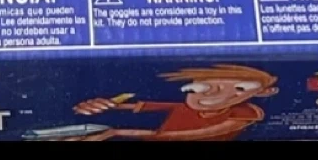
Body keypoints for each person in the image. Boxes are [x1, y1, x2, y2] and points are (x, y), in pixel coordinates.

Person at [68, 65, 278, 140]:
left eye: (240, 89)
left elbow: (188, 135)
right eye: (202, 87)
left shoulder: (243, 113)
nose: (213, 95)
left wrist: (115, 132)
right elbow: (143, 106)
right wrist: (105, 105)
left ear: (264, 92)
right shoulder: (185, 107)